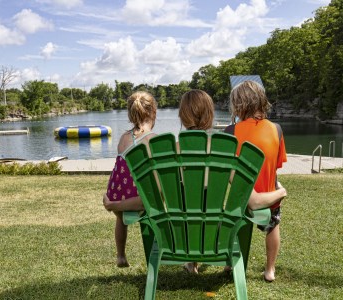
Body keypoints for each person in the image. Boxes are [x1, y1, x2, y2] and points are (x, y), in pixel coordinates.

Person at [103, 89, 287, 273]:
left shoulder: (166, 153)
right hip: (217, 240)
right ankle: (197, 263)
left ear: (182, 116)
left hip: (176, 240)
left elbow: (148, 201)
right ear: (210, 115)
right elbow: (254, 202)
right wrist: (281, 192)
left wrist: (115, 205)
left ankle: (192, 262)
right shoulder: (224, 152)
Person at [224, 80, 287, 282]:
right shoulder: (276, 129)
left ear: (239, 105)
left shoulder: (231, 132)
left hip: (241, 197)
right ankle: (270, 270)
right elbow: (276, 165)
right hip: (269, 197)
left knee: (235, 225)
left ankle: (229, 262)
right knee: (273, 227)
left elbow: (228, 169)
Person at [104, 91, 157, 268]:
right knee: (152, 200)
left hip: (117, 192)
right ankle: (154, 255)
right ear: (153, 112)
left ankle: (121, 255)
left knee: (121, 220)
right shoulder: (153, 140)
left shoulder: (124, 138)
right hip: (137, 197)